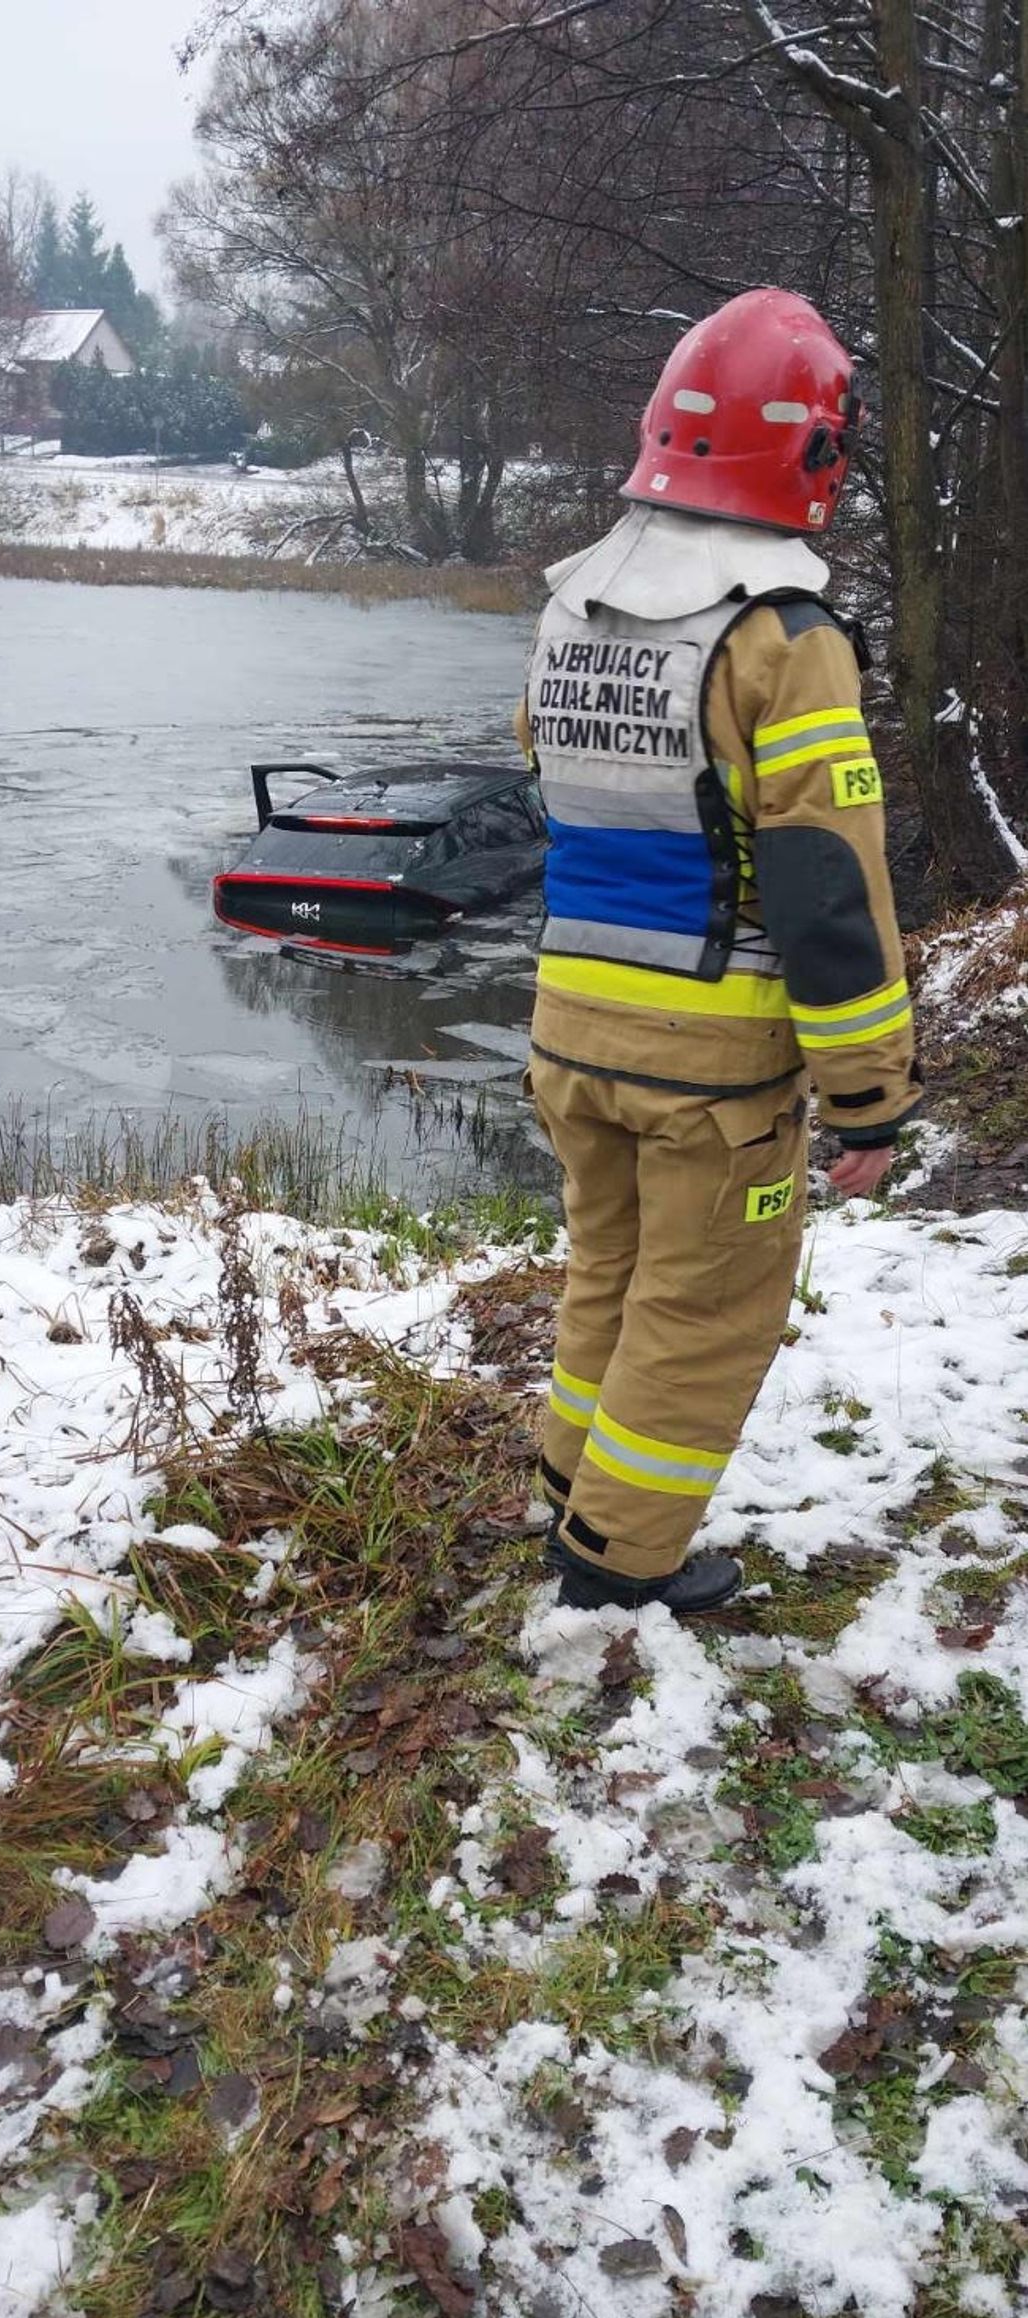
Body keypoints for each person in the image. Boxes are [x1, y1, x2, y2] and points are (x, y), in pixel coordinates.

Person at [520, 287, 921, 1616]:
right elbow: (826, 886)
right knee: (702, 1311)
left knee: (611, 1269)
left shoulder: (572, 608)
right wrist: (867, 1093)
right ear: (814, 451)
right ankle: (621, 1559)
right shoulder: (782, 636)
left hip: (569, 1030)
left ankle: (569, 1487)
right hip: (712, 1066)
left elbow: (553, 789)